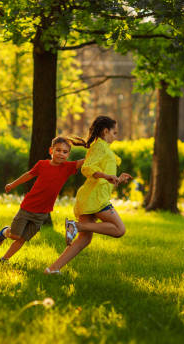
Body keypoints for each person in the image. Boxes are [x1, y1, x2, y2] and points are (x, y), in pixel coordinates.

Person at [44, 116, 132, 274]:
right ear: (106, 131)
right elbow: (87, 168)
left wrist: (118, 179)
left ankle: (52, 269)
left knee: (84, 239)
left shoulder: (103, 147)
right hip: (96, 198)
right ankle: (75, 226)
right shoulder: (100, 147)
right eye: (115, 132)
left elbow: (104, 176)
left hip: (91, 197)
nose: (116, 136)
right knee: (119, 230)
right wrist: (106, 177)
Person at [0, 136, 84, 261]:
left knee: (22, 239)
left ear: (68, 155)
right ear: (51, 151)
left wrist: (97, 149)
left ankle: (4, 259)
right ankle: (4, 232)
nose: (61, 154)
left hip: (42, 213)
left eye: (65, 152)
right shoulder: (42, 164)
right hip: (28, 207)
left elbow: (85, 161)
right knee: (14, 235)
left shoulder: (68, 167)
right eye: (58, 150)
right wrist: (13, 184)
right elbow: (28, 175)